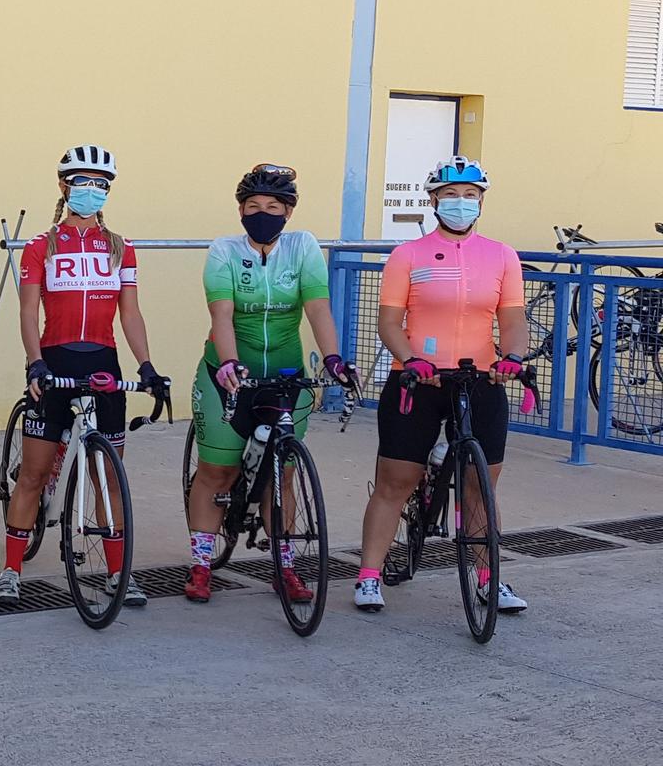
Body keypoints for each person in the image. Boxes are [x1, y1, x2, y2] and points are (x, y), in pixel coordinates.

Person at [0, 145, 166, 607]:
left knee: (109, 476)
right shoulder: (40, 246)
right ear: (63, 186)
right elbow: (29, 311)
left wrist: (146, 365)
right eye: (81, 182)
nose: (91, 190)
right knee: (31, 475)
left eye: (100, 184)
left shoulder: (120, 248)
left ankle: (117, 573)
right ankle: (11, 570)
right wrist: (35, 361)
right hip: (55, 362)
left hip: (103, 364)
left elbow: (130, 314)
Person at [355, 157, 528, 614]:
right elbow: (389, 321)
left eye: (471, 195)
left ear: (482, 202)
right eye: (451, 195)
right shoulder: (407, 255)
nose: (461, 203)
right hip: (418, 379)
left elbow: (512, 318)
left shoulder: (502, 255)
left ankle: (489, 578)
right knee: (396, 481)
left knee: (480, 484)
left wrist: (512, 357)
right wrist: (410, 359)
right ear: (433, 200)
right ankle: (370, 575)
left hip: (481, 378)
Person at [184, 164, 352, 603]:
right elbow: (221, 315)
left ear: (288, 212)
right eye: (254, 206)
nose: (263, 214)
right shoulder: (224, 249)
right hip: (226, 371)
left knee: (285, 473)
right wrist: (230, 363)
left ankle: (286, 566)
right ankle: (201, 565)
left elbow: (317, 309)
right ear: (241, 211)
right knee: (217, 471)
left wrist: (333, 357)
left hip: (285, 374)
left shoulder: (302, 247)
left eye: (273, 207)